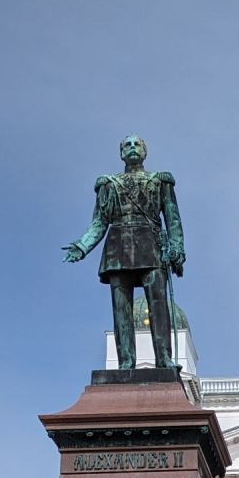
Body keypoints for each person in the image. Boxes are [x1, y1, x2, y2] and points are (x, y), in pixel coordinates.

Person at [63, 134, 186, 371]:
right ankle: (126, 362)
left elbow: (172, 218)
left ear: (144, 151)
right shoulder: (108, 185)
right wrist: (82, 246)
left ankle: (164, 359)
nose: (131, 148)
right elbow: (99, 222)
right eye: (127, 145)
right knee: (121, 310)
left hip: (151, 245)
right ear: (121, 153)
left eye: (136, 144)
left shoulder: (159, 181)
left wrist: (177, 247)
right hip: (117, 248)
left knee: (158, 305)